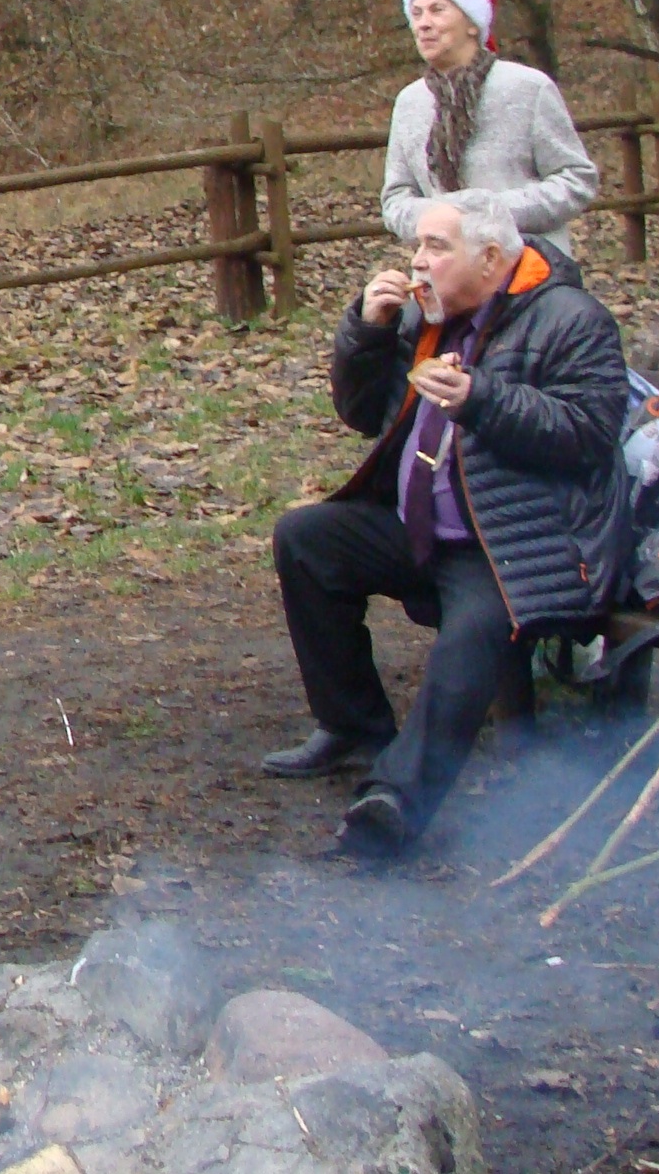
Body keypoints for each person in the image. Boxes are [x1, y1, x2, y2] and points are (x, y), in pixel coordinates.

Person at [262, 189, 630, 856]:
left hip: (514, 543)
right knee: (307, 539)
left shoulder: (571, 319)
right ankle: (354, 726)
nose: (418, 261)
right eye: (417, 247)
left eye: (436, 247)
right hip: (419, 526)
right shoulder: (423, 317)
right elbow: (361, 413)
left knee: (472, 638)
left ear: (490, 258)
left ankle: (396, 801)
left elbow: (590, 432)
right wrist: (368, 334)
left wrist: (482, 400)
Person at [381, 0, 599, 255]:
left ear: (473, 23)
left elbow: (576, 179)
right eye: (416, 13)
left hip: (530, 266)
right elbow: (396, 198)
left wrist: (489, 214)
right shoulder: (410, 102)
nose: (423, 24)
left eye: (437, 10)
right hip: (445, 272)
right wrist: (442, 219)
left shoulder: (527, 88)